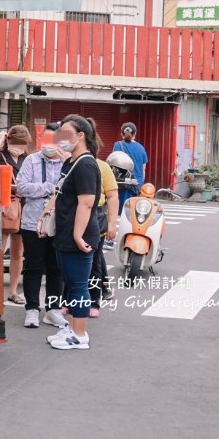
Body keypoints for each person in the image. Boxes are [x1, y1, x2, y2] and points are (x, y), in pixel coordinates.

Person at [45, 114, 101, 351]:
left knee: (79, 286)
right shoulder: (71, 162)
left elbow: (86, 203)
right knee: (71, 283)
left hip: (79, 236)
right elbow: (60, 195)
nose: (61, 138)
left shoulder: (86, 164)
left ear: (80, 136)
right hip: (65, 234)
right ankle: (73, 327)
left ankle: (80, 335)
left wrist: (78, 236)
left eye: (66, 134)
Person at [16, 126, 66, 329]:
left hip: (59, 223)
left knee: (56, 267)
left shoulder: (67, 163)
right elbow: (21, 187)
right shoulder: (32, 160)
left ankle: (53, 310)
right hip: (32, 222)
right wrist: (47, 188)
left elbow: (69, 190)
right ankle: (32, 309)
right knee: (33, 266)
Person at [0, 125, 30, 306]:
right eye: (16, 143)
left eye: (22, 144)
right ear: (8, 141)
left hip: (22, 207)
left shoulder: (28, 159)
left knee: (18, 253)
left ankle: (12, 291)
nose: (19, 147)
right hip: (2, 207)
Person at [89, 125, 119, 318]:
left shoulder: (103, 166)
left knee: (93, 263)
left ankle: (94, 301)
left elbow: (112, 196)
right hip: (71, 217)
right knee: (68, 264)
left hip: (96, 217)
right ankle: (68, 300)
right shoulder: (67, 163)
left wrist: (112, 223)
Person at [113, 122, 149, 212]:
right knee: (133, 214)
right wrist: (140, 185)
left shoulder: (118, 145)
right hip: (137, 185)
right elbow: (143, 169)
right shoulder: (141, 148)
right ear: (135, 134)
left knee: (121, 214)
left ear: (121, 133)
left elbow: (114, 164)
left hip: (123, 185)